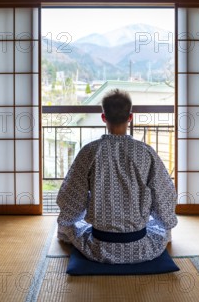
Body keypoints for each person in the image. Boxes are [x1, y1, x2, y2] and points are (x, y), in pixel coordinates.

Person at [57, 89, 178, 263]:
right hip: (139, 244)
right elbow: (164, 193)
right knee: (164, 229)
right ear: (130, 117)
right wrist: (166, 222)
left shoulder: (89, 151)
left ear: (103, 117)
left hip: (99, 245)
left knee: (66, 228)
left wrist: (67, 220)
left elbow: (71, 196)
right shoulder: (146, 152)